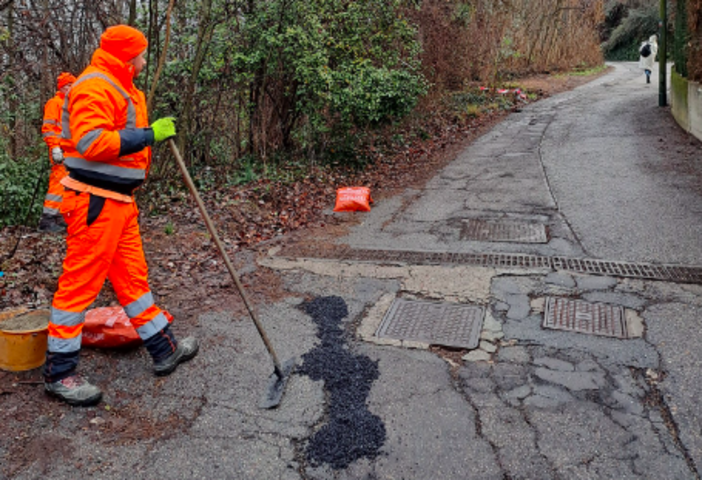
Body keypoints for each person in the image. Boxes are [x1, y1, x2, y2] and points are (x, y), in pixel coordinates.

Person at [44, 25, 199, 406]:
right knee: (79, 286)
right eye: (142, 55)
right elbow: (91, 142)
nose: (146, 61)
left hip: (119, 202)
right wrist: (149, 135)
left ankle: (164, 349)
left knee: (133, 279)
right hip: (95, 202)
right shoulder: (95, 86)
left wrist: (146, 134)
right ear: (127, 57)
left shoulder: (122, 85)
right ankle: (59, 374)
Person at [39, 72, 75, 232]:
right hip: (59, 151)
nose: (71, 88)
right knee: (58, 184)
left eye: (72, 85)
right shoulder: (54, 104)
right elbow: (48, 129)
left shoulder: (70, 105)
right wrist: (54, 147)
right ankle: (48, 219)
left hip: (69, 151)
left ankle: (59, 217)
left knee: (66, 184)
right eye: (68, 85)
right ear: (62, 87)